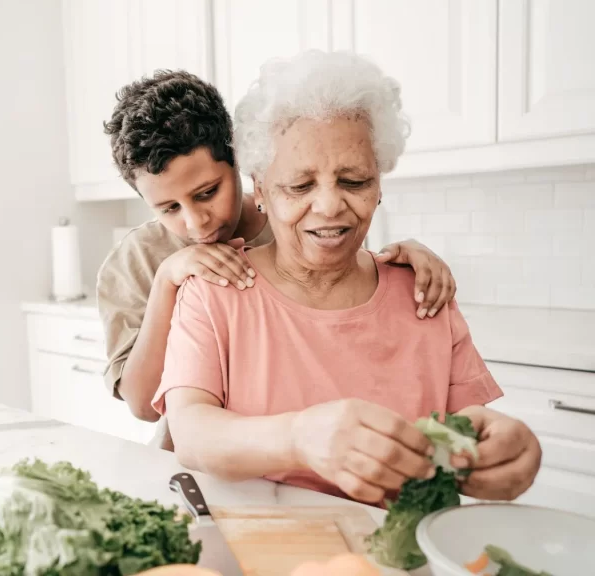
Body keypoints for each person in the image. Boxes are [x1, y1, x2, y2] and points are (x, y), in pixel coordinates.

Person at [153, 50, 541, 504]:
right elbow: (191, 432)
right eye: (299, 186)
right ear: (260, 189)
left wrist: (507, 449)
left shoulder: (423, 291)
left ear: (379, 182)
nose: (330, 207)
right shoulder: (214, 291)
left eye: (354, 181)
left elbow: (469, 424)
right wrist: (297, 437)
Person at [97, 69, 458, 451]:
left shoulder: (296, 213)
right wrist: (167, 280)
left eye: (207, 192)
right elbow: (144, 405)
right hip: (196, 455)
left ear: (242, 161)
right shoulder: (136, 260)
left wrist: (409, 252)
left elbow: (355, 285)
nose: (195, 221)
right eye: (169, 208)